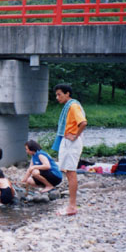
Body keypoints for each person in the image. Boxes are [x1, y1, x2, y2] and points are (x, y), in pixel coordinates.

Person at [52, 84, 87, 216]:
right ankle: (71, 205)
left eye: (59, 94)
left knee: (71, 173)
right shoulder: (70, 106)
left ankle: (72, 206)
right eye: (56, 95)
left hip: (71, 143)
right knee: (68, 172)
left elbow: (83, 122)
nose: (57, 97)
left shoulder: (73, 106)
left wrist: (75, 136)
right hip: (68, 141)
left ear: (67, 94)